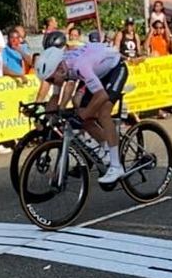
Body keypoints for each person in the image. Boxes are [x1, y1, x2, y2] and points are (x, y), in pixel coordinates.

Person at [36, 43, 128, 184]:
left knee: (103, 113)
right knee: (82, 112)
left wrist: (81, 117)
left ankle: (116, 166)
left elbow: (101, 95)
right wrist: (46, 118)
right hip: (98, 72)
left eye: (50, 80)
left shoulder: (79, 66)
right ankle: (107, 151)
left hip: (115, 68)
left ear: (59, 69)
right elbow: (55, 98)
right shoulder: (60, 68)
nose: (50, 83)